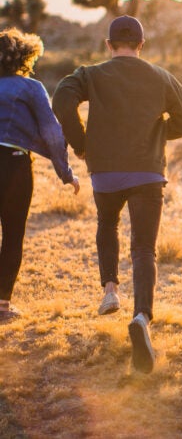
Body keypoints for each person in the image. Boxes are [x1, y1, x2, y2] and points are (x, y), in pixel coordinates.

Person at [52, 16, 182, 373]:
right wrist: (159, 131)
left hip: (105, 171)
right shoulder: (160, 76)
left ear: (108, 44)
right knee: (144, 247)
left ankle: (110, 292)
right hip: (148, 170)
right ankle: (142, 317)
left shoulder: (91, 74)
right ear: (141, 45)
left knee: (107, 223)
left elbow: (61, 100)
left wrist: (81, 142)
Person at [0, 27, 79, 322]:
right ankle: (2, 306)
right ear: (26, 56)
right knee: (12, 235)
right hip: (14, 165)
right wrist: (66, 172)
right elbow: (52, 134)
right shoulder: (31, 88)